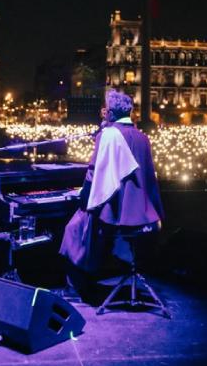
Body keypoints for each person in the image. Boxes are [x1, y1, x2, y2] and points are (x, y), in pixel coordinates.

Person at [58, 89, 165, 301]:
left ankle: (81, 289)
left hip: (117, 213)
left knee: (74, 229)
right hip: (145, 213)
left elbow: (94, 173)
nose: (102, 111)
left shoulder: (108, 135)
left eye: (105, 108)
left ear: (111, 113)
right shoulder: (143, 138)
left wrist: (82, 196)